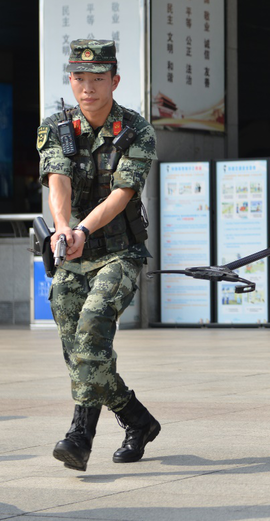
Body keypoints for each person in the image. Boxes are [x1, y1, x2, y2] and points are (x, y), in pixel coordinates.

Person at [37, 40, 159, 471]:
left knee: (90, 332)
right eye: (79, 79)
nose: (87, 88)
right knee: (79, 353)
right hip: (73, 253)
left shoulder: (137, 129)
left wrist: (85, 228)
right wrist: (65, 227)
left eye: (97, 79)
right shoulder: (56, 127)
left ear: (115, 81)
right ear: (70, 80)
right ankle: (137, 420)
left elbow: (125, 193)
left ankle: (79, 436)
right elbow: (58, 180)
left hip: (119, 253)